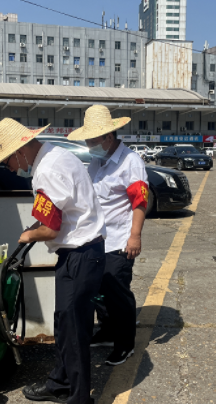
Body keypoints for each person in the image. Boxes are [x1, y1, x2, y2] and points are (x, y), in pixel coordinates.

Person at [0, 119, 106, 404]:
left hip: (81, 254)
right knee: (64, 324)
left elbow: (50, 228)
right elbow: (54, 215)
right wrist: (34, 229)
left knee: (75, 332)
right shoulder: (56, 155)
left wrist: (28, 236)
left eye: (8, 160)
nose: (10, 169)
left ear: (22, 150)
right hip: (79, 253)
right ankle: (60, 382)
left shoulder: (46, 171)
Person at [67, 105, 148, 366]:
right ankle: (108, 331)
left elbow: (140, 203)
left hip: (119, 240)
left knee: (117, 292)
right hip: (97, 239)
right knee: (99, 289)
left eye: (92, 139)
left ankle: (125, 344)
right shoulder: (97, 162)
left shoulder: (130, 162)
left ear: (108, 137)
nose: (89, 144)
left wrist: (134, 236)